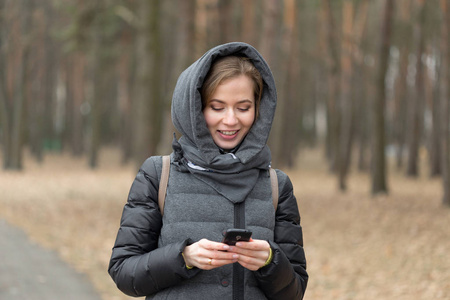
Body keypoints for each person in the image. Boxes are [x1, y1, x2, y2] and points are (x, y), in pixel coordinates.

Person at [108, 42, 308, 299]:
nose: (231, 120)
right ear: (193, 109)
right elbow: (124, 272)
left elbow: (295, 292)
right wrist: (184, 257)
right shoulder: (158, 174)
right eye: (217, 107)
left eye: (244, 107)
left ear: (259, 110)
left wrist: (270, 261)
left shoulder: (276, 185)